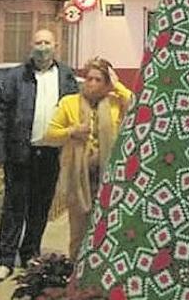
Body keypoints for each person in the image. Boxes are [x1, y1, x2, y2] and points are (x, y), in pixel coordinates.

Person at [0, 29, 79, 283]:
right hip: (20, 152)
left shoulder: (66, 76)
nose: (42, 47)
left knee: (40, 208)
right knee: (13, 207)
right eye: (38, 42)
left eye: (47, 43)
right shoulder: (16, 77)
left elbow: (75, 108)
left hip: (50, 153)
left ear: (56, 46)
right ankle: (4, 260)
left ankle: (30, 253)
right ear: (31, 44)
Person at [44, 58, 132, 259]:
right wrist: (72, 131)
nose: (90, 83)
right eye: (88, 78)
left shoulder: (114, 103)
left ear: (106, 84)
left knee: (106, 229)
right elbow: (50, 135)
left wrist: (117, 85)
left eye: (98, 79)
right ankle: (76, 273)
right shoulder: (69, 102)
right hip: (78, 177)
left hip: (108, 178)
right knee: (79, 232)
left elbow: (135, 104)